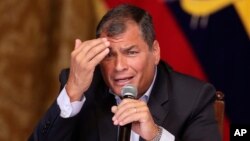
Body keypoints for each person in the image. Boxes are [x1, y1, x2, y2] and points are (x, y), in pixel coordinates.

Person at [29, 4, 221, 141]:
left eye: (131, 52)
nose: (119, 66)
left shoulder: (195, 97)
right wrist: (72, 92)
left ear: (155, 52)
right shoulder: (83, 86)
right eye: (109, 55)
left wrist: (156, 136)